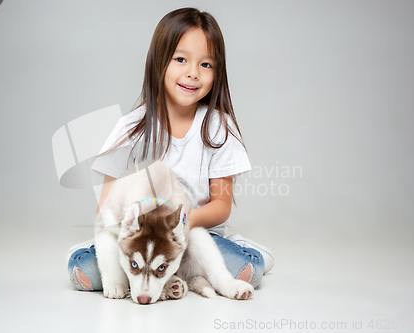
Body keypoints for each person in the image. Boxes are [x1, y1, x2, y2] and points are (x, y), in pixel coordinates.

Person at [67, 7, 274, 293]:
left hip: (197, 235)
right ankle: (168, 279)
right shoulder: (131, 128)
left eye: (206, 65)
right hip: (141, 240)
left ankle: (239, 250)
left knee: (246, 269)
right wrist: (134, 228)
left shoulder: (218, 127)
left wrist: (177, 226)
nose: (193, 73)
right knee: (86, 268)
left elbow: (221, 206)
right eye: (180, 59)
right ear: (158, 62)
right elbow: (107, 208)